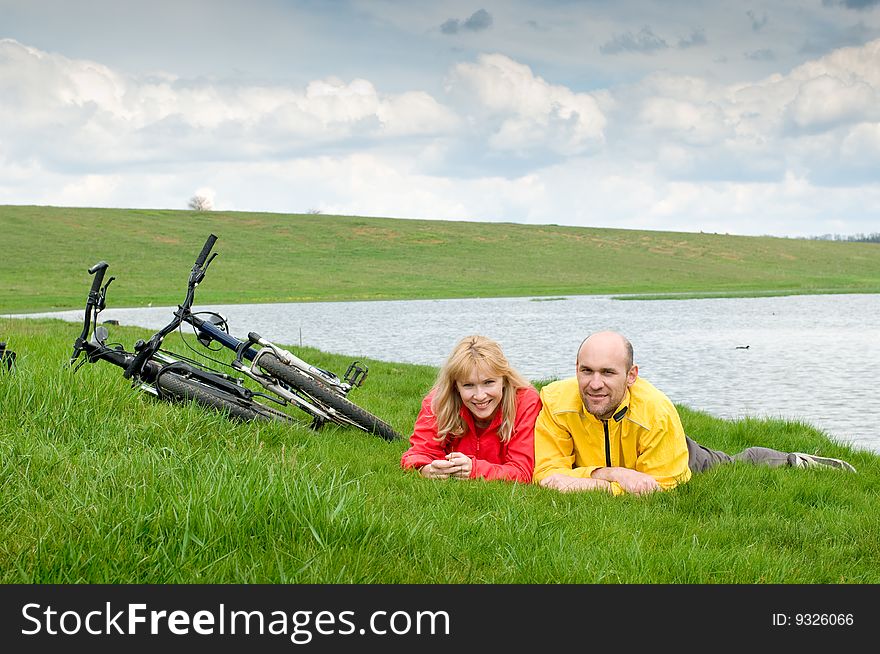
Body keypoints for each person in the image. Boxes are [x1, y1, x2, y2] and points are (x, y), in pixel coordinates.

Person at [534, 330, 856, 496]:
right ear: (575, 368)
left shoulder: (656, 413)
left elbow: (658, 490)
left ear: (631, 375)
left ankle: (792, 461)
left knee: (730, 465)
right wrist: (611, 474)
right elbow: (546, 477)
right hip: (623, 467)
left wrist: (575, 481)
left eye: (608, 372)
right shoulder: (556, 401)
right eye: (586, 371)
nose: (594, 384)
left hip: (676, 457)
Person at [401, 335, 541, 483]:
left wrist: (474, 469)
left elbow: (523, 471)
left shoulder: (526, 402)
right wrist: (427, 469)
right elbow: (417, 454)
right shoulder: (438, 400)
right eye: (468, 385)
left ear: (505, 380)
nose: (480, 396)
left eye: (489, 382)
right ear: (456, 386)